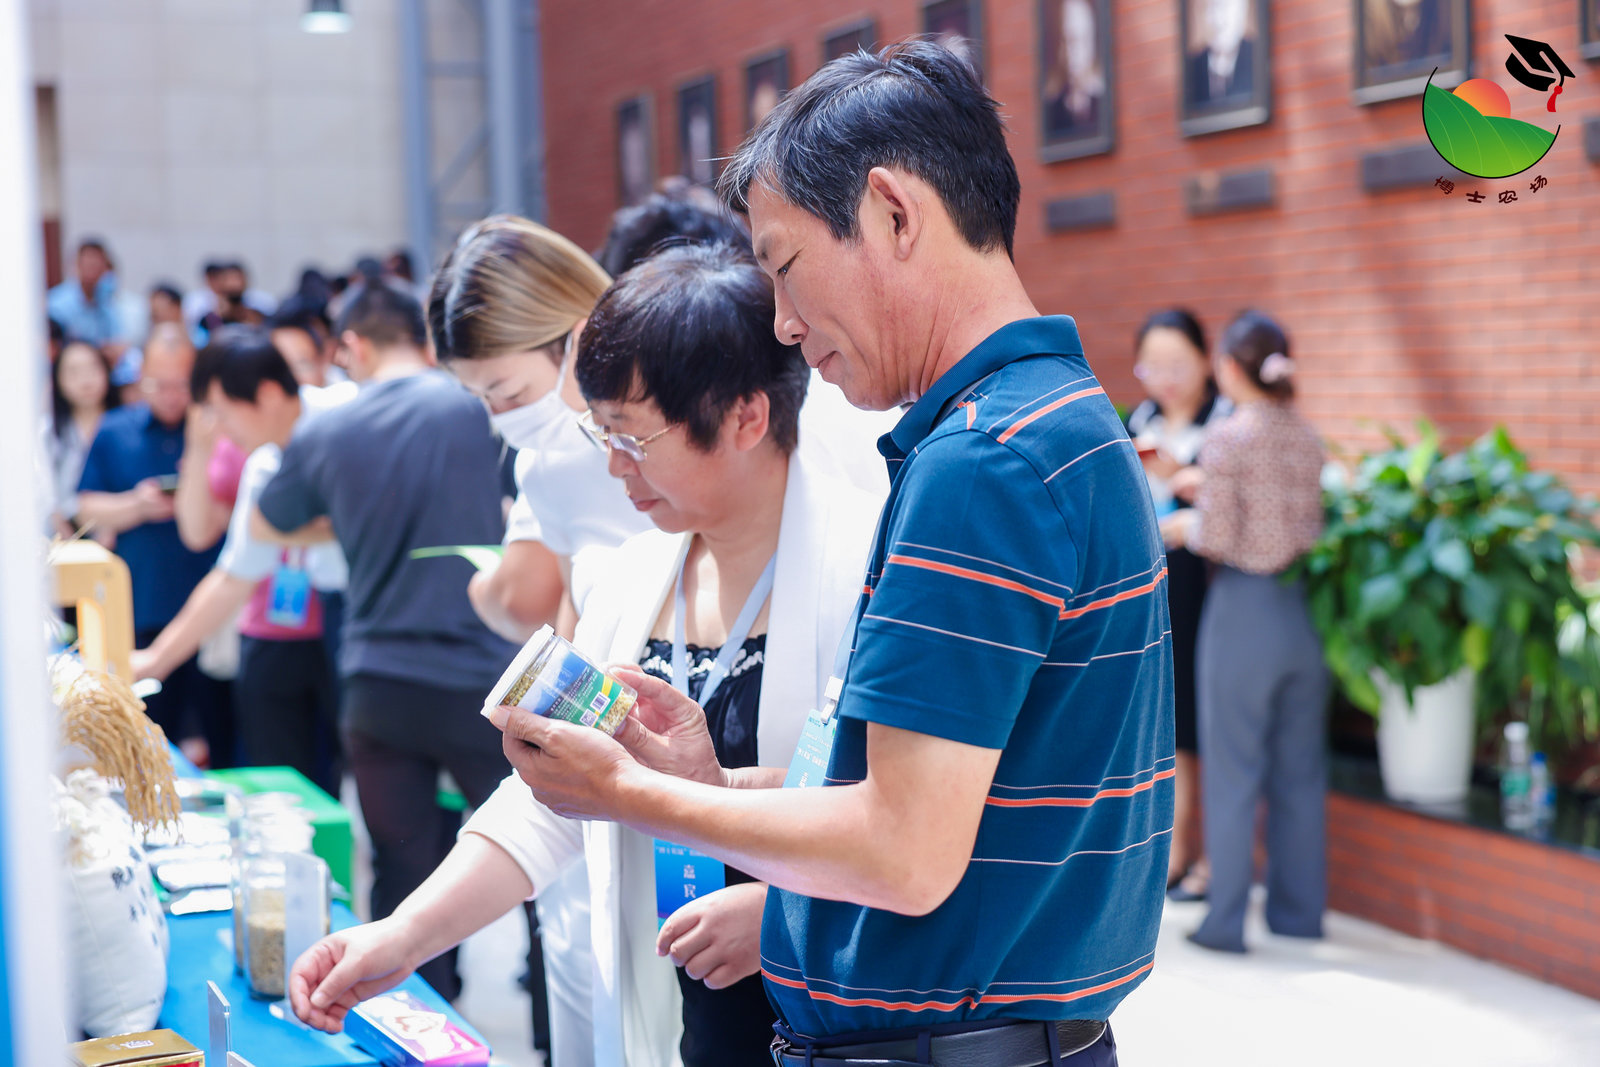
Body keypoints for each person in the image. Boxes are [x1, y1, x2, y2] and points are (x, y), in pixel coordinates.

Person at [479, 41, 1173, 1065]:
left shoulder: (981, 462)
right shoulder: (1055, 417)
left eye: (785, 267)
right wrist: (708, 783)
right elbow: (938, 795)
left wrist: (624, 792)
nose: (786, 324)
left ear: (895, 213)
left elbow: (899, 849)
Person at [288, 242, 883, 1067]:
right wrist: (399, 938)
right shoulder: (638, 575)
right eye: (600, 434)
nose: (613, 466)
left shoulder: (873, 569)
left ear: (748, 416)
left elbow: (921, 818)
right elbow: (555, 805)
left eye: (634, 439)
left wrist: (788, 913)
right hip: (681, 1012)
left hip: (845, 1020)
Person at [254, 281, 519, 1000]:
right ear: (424, 341)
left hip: (379, 682)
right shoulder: (480, 406)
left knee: (404, 889)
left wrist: (344, 518)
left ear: (356, 346)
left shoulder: (328, 428)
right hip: (485, 682)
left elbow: (271, 517)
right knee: (538, 874)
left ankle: (414, 1041)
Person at [1159, 310, 1329, 955]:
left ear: (1230, 367)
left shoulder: (1228, 437)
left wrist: (1182, 526)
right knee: (1300, 774)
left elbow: (1221, 536)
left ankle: (1224, 921)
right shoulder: (1305, 436)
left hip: (1242, 615)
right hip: (1298, 613)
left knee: (1233, 770)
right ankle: (1298, 913)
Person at [129, 328, 349, 794]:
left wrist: (295, 528)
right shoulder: (264, 464)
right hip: (319, 621)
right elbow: (232, 576)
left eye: (225, 414)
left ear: (267, 395)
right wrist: (155, 661)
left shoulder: (349, 417)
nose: (222, 431)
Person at [429, 215, 650, 646]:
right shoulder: (546, 466)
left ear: (581, 338)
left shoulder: (682, 426)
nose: (500, 416)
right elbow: (575, 609)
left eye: (510, 392)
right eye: (481, 398)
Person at [76, 323, 234, 766]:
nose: (170, 395)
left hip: (212, 606)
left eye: (181, 384)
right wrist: (138, 505)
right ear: (140, 377)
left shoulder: (218, 427)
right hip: (141, 603)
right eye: (158, 384)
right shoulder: (115, 429)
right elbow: (85, 505)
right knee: (147, 742)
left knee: (221, 737)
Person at [1125, 309, 1232, 900]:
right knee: (1162, 719)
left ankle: (1202, 858)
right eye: (1152, 366)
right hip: (1151, 579)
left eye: (1176, 364)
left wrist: (1182, 476)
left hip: (1206, 585)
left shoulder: (1226, 422)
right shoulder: (1137, 420)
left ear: (1204, 359)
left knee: (1198, 719)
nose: (1163, 379)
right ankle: (1166, 853)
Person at [44, 339, 120, 539]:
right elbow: (45, 490)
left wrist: (113, 524)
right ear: (58, 380)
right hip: (66, 532)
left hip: (121, 529)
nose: (85, 380)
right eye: (73, 372)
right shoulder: (50, 431)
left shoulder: (125, 424)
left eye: (92, 369)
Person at [48, 238, 139, 356]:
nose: (92, 268)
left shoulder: (107, 301)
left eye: (96, 263)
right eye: (87, 263)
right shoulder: (57, 303)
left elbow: (118, 340)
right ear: (76, 265)